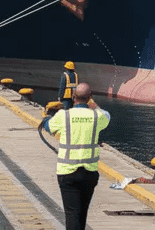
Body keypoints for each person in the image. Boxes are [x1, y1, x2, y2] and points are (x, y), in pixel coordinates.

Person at [45, 82, 110, 230]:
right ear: (90, 98)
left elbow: (48, 127)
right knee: (82, 213)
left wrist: (47, 117)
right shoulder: (96, 116)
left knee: (72, 214)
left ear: (73, 97)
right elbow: (107, 115)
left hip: (67, 172)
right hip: (89, 172)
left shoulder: (63, 115)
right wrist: (94, 105)